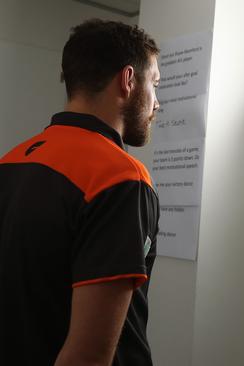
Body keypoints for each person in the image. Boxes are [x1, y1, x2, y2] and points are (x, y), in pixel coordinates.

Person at [0, 19, 160, 365]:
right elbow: (88, 356)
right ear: (128, 80)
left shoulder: (10, 162)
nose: (157, 103)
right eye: (155, 84)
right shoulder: (120, 178)